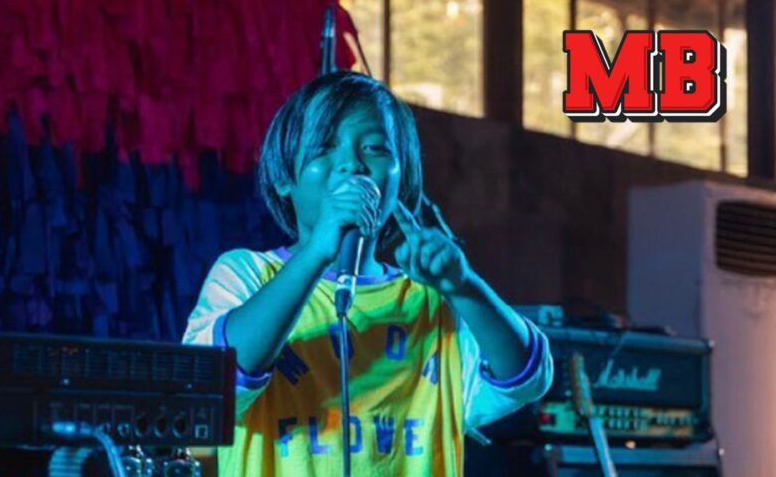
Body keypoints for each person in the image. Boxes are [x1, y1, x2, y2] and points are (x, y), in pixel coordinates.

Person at [182, 71, 553, 476]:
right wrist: (319, 251)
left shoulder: (431, 299)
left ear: (401, 179)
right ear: (285, 177)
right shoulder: (246, 274)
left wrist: (463, 287)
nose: (352, 165)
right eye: (324, 148)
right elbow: (214, 386)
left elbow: (527, 377)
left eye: (374, 148)